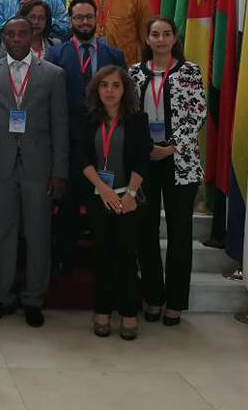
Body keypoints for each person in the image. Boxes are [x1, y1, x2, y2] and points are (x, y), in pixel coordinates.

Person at [0, 16, 68, 328]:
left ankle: (33, 298)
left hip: (39, 167)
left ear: (33, 36)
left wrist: (59, 172)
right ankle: (1, 296)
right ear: (3, 38)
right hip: (0, 166)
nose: (15, 38)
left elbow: (60, 126)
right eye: (10, 34)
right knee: (1, 232)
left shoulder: (53, 75)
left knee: (38, 232)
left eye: (22, 33)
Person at [129, 15, 206, 327]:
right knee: (145, 232)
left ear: (175, 39)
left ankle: (175, 302)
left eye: (166, 34)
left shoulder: (190, 72)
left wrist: (172, 146)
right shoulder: (134, 73)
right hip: (145, 162)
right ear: (147, 40)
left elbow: (197, 113)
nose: (160, 40)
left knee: (179, 233)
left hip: (180, 161)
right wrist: (146, 148)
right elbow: (130, 114)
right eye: (155, 34)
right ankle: (153, 296)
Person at [46, 0, 126, 276]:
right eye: (78, 17)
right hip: (67, 143)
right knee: (67, 208)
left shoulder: (113, 56)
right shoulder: (55, 55)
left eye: (88, 17)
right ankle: (62, 262)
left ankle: (104, 265)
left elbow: (122, 101)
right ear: (70, 21)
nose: (84, 22)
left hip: (103, 144)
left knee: (101, 207)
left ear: (97, 20)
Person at [75, 65, 151, 341]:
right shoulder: (88, 119)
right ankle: (103, 311)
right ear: (97, 89)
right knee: (103, 256)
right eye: (104, 85)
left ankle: (129, 313)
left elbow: (143, 158)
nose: (109, 91)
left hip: (128, 199)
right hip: (99, 198)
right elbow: (81, 157)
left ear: (125, 89)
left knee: (127, 257)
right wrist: (102, 189)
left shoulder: (137, 120)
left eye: (115, 85)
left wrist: (130, 194)